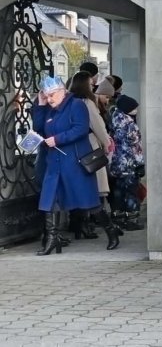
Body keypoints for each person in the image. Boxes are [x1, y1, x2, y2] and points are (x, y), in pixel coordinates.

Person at [32, 76, 102, 256]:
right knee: (49, 199)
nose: (49, 99)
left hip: (74, 161)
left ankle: (110, 228)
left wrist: (58, 139)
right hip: (55, 162)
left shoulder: (76, 105)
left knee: (88, 201)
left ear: (63, 91)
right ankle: (52, 238)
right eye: (46, 96)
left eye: (51, 95)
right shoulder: (49, 108)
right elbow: (39, 128)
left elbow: (80, 129)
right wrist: (39, 105)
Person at [69, 71, 120, 250]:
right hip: (88, 148)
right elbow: (97, 124)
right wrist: (107, 143)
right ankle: (108, 230)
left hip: (73, 150)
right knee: (94, 191)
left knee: (82, 191)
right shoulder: (87, 103)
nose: (93, 87)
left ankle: (81, 226)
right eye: (91, 84)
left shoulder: (69, 102)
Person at [109, 95, 145, 232]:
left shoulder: (115, 120)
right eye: (134, 107)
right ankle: (132, 219)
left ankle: (118, 218)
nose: (136, 110)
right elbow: (135, 146)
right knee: (131, 192)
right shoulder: (130, 124)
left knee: (118, 192)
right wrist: (140, 164)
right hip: (129, 164)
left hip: (117, 163)